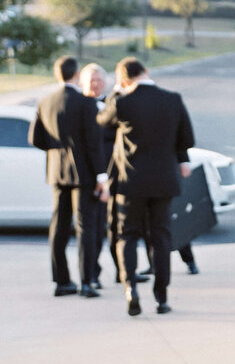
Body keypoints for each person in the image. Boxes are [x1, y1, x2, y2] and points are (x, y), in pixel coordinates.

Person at [98, 57, 195, 317]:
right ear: (146, 72)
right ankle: (161, 297)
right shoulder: (173, 99)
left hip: (131, 181)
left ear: (124, 79)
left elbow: (102, 120)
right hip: (164, 180)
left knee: (127, 235)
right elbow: (186, 137)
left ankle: (131, 289)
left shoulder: (122, 102)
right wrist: (182, 160)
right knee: (161, 237)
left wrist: (116, 93)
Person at [28, 56, 104, 298]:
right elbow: (93, 144)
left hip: (56, 171)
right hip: (83, 172)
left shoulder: (45, 101)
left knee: (59, 226)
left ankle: (61, 282)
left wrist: (57, 150)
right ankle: (87, 282)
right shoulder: (85, 103)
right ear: (76, 74)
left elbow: (35, 139)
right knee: (86, 227)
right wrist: (101, 175)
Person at [78, 63, 116, 288]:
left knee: (104, 227)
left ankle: (104, 270)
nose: (96, 84)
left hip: (111, 174)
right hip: (88, 175)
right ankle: (90, 273)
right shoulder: (79, 106)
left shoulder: (112, 105)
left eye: (99, 80)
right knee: (89, 229)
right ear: (83, 83)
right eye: (92, 80)